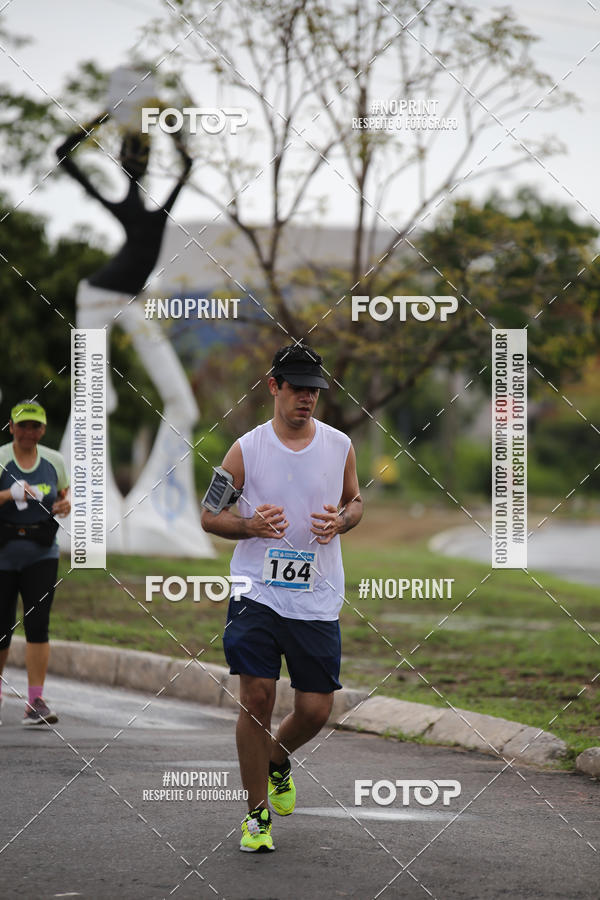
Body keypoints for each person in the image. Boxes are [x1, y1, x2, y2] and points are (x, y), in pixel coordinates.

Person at [201, 343, 363, 852]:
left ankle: (276, 757)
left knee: (316, 709)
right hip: (257, 593)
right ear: (274, 387)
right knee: (257, 698)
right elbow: (209, 515)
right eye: (298, 388)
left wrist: (342, 520)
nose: (307, 399)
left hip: (316, 596)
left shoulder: (339, 445)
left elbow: (355, 500)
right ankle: (256, 815)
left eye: (314, 390)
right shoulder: (245, 450)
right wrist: (247, 524)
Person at [0, 401, 71, 725]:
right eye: (22, 426)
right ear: (11, 427)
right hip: (3, 552)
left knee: (38, 626)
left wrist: (64, 504)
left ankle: (35, 701)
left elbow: (64, 495)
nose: (29, 432)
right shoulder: (2, 458)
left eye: (35, 426)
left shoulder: (54, 461)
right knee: (2, 628)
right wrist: (8, 494)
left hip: (42, 551)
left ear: (43, 430)